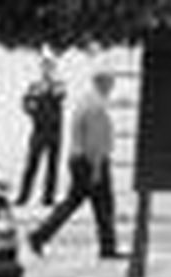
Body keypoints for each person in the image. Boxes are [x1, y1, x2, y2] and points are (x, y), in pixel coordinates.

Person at [28, 69, 119, 260]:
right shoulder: (96, 106)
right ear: (103, 83)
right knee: (102, 204)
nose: (113, 87)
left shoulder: (85, 101)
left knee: (80, 203)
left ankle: (40, 236)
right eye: (111, 83)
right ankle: (107, 247)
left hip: (79, 160)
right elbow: (94, 142)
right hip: (91, 161)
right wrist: (96, 169)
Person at [16, 53, 65, 206]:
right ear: (41, 68)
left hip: (55, 131)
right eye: (45, 67)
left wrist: (50, 86)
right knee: (31, 164)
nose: (48, 70)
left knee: (52, 166)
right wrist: (32, 107)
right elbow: (26, 103)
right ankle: (23, 196)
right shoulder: (35, 85)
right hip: (39, 130)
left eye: (51, 67)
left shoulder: (58, 84)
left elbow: (60, 95)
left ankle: (48, 197)